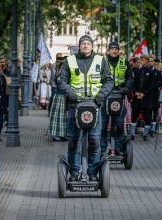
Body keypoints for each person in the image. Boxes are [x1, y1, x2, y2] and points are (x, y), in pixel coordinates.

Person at [58, 35, 113, 181]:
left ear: (92, 46)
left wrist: (100, 96)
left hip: (94, 105)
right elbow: (61, 81)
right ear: (79, 45)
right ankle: (74, 173)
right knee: (73, 141)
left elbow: (109, 81)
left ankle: (93, 173)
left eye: (88, 43)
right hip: (74, 106)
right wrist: (71, 93)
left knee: (94, 141)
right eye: (83, 43)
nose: (86, 46)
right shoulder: (69, 60)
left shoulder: (101, 60)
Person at [100, 41, 133, 156]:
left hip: (119, 95)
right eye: (112, 49)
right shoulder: (102, 61)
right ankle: (102, 149)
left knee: (119, 125)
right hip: (105, 97)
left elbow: (130, 77)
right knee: (103, 125)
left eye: (116, 49)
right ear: (108, 50)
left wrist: (127, 88)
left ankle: (119, 149)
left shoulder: (124, 62)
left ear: (119, 50)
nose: (114, 51)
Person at [131, 54, 156, 141]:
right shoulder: (137, 71)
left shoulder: (152, 72)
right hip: (137, 98)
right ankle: (132, 134)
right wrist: (136, 93)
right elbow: (133, 84)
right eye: (141, 60)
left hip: (147, 98)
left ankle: (145, 134)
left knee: (147, 116)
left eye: (143, 60)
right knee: (134, 115)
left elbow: (152, 85)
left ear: (147, 61)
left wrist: (144, 94)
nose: (141, 61)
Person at [48, 54, 67, 141]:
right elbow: (58, 81)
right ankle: (56, 134)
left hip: (63, 95)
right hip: (59, 95)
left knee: (62, 116)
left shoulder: (61, 70)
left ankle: (62, 134)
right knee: (58, 116)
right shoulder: (60, 71)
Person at [0, 62, 8, 142]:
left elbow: (5, 92)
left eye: (0, 66)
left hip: (1, 103)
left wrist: (5, 104)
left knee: (0, 122)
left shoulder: (3, 77)